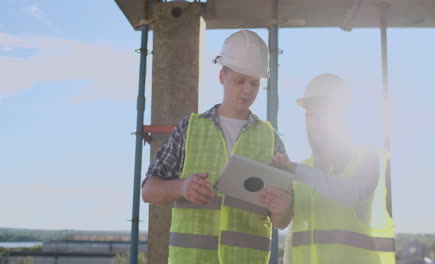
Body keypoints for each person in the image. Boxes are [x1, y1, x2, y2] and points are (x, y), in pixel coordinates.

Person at [142, 30, 293, 264]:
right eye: (239, 81)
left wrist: (283, 208)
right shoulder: (189, 130)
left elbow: (282, 221)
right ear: (222, 76)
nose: (247, 90)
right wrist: (181, 187)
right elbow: (149, 190)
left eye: (254, 83)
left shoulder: (271, 138)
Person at [274, 74, 395, 264]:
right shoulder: (302, 170)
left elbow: (351, 193)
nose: (314, 123)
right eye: (310, 115)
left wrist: (295, 170)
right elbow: (285, 226)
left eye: (323, 115)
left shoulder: (367, 160)